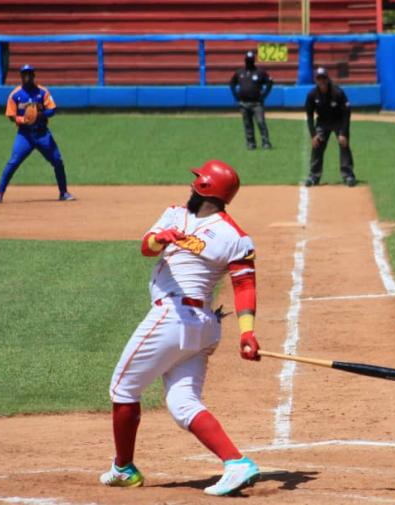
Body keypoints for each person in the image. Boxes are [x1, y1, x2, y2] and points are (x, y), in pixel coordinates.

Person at [99, 160, 262, 496]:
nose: (190, 186)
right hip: (200, 327)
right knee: (183, 402)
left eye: (196, 181)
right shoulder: (174, 215)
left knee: (123, 390)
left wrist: (248, 331)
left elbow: (244, 284)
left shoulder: (233, 236)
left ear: (203, 187)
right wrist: (161, 238)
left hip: (174, 316)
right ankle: (236, 463)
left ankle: (123, 468)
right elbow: (146, 247)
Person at [0, 64, 74, 204]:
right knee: (13, 162)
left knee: (57, 161)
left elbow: (53, 109)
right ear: (21, 77)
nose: (27, 77)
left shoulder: (42, 92)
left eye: (30, 74)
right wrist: (22, 120)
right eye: (25, 74)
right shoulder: (15, 95)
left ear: (34, 76)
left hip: (42, 134)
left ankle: (63, 192)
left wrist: (40, 115)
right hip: (25, 135)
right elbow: (11, 115)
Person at [304, 67, 356, 187]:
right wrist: (313, 135)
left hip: (338, 121)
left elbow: (346, 113)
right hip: (322, 122)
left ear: (327, 79)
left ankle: (348, 175)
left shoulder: (337, 92)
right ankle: (314, 176)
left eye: (323, 78)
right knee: (317, 146)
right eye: (319, 78)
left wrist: (343, 133)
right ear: (315, 80)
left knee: (344, 145)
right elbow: (309, 115)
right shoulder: (312, 95)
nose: (321, 81)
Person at [229, 50, 273, 150]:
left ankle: (266, 142)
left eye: (251, 60)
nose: (249, 62)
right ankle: (251, 143)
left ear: (254, 60)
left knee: (261, 122)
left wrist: (264, 95)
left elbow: (270, 83)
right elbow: (232, 83)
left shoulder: (260, 72)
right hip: (244, 103)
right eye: (248, 60)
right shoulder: (239, 72)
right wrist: (236, 95)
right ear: (245, 60)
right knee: (247, 124)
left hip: (257, 103)